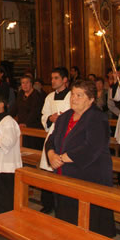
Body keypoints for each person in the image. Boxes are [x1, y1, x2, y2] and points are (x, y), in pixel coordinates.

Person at [46, 80, 115, 238]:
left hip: (90, 174)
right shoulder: (65, 117)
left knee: (89, 223)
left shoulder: (97, 117)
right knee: (67, 218)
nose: (74, 98)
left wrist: (63, 158)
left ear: (91, 99)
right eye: (72, 95)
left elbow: (92, 146)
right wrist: (51, 154)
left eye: (79, 95)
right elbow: (52, 139)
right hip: (65, 174)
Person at [39, 67, 71, 214]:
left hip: (67, 137)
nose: (52, 81)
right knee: (46, 171)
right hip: (52, 134)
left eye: (56, 78)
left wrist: (63, 119)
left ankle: (62, 206)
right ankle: (47, 204)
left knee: (62, 171)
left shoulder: (72, 96)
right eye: (52, 78)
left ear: (65, 80)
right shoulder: (49, 97)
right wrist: (50, 119)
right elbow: (43, 116)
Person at [10, 75, 44, 149]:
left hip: (33, 125)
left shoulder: (36, 95)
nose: (24, 85)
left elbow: (35, 112)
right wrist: (7, 117)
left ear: (31, 84)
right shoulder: (21, 93)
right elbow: (15, 108)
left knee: (31, 148)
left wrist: (26, 123)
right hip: (21, 125)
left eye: (27, 83)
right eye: (22, 83)